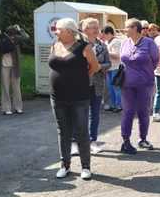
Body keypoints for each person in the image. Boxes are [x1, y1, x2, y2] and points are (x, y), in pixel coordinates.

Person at [48, 18, 99, 179]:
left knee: (81, 131)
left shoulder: (84, 47)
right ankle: (65, 165)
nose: (55, 32)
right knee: (63, 131)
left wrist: (82, 78)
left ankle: (86, 167)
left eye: (59, 29)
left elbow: (95, 67)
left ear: (69, 31)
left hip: (79, 97)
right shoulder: (54, 45)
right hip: (57, 97)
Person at [119, 18, 159, 154]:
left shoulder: (149, 43)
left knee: (143, 112)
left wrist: (142, 72)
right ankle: (125, 140)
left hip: (145, 83)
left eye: (127, 27)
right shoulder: (124, 42)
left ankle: (143, 139)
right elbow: (122, 59)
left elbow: (155, 61)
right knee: (128, 112)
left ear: (135, 28)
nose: (124, 29)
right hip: (127, 84)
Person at [78, 18, 110, 155]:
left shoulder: (102, 45)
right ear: (84, 29)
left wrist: (97, 67)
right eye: (93, 27)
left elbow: (108, 63)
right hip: (80, 84)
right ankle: (77, 142)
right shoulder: (77, 45)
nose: (97, 29)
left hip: (97, 83)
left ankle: (93, 141)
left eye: (97, 27)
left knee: (95, 114)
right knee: (79, 114)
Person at [0, 24, 29, 115]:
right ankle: (10, 108)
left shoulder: (16, 39)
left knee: (14, 87)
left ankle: (13, 108)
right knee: (7, 87)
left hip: (14, 65)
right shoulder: (3, 38)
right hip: (4, 65)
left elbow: (26, 37)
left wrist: (20, 29)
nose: (12, 36)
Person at [102, 26, 123, 112]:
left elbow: (117, 56)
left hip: (116, 68)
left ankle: (119, 105)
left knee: (116, 87)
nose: (103, 36)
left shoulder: (116, 42)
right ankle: (113, 105)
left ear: (109, 33)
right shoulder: (107, 42)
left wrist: (106, 52)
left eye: (104, 34)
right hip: (109, 68)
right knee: (110, 88)